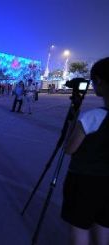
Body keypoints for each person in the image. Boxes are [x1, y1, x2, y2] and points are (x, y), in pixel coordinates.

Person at [62, 57, 109, 245]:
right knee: (104, 225)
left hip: (84, 182)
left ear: (98, 81)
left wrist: (74, 114)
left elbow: (69, 148)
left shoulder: (93, 117)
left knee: (80, 228)